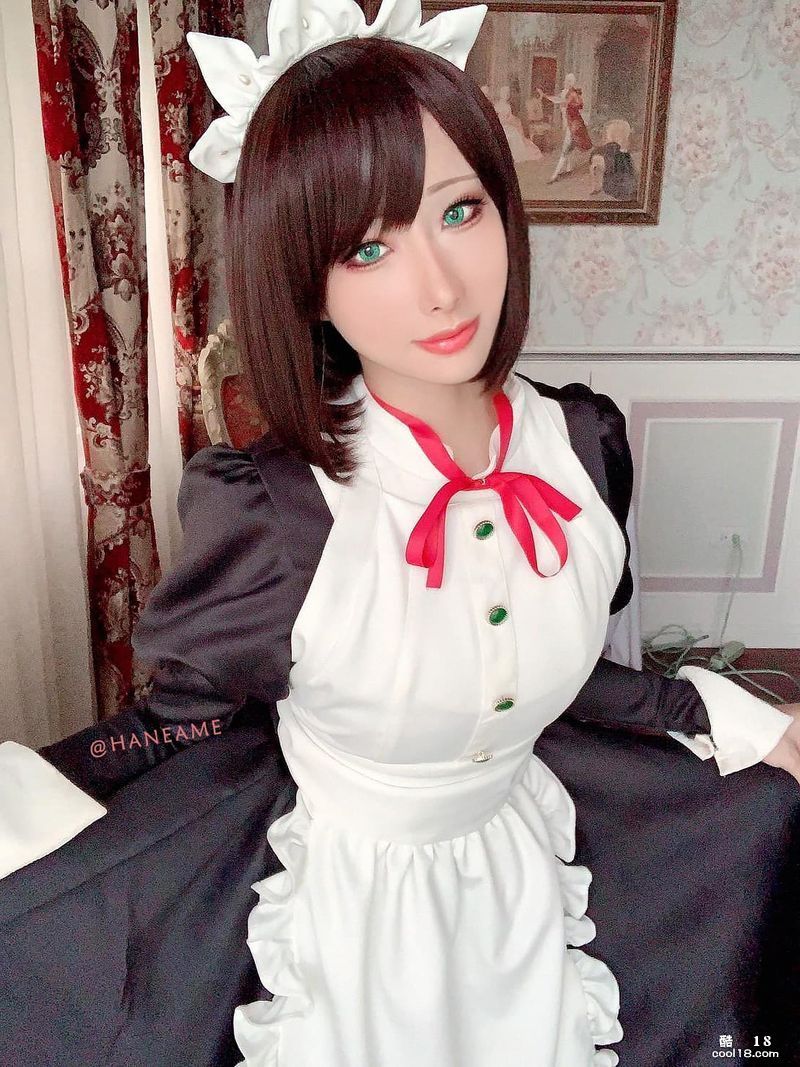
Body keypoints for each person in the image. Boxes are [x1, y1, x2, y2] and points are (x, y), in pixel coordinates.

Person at [2, 1, 799, 1065]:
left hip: (521, 879)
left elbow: (564, 683)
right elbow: (182, 725)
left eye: (459, 211)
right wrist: (42, 789)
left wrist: (724, 714)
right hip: (354, 925)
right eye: (368, 247)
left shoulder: (582, 444)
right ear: (306, 286)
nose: (439, 286)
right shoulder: (275, 513)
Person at [538, 73, 594, 184]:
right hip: (568, 122)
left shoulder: (573, 94)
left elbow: (577, 104)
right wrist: (545, 96)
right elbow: (558, 99)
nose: (566, 82)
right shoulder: (565, 92)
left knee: (565, 149)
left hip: (573, 124)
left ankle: (554, 175)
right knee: (569, 146)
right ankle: (568, 168)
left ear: (572, 83)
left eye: (569, 81)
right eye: (566, 80)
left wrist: (546, 96)